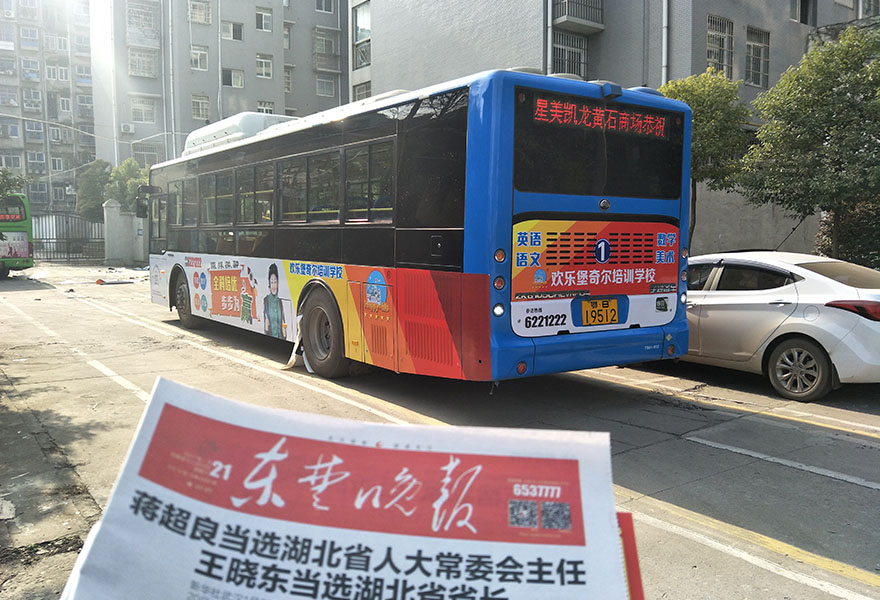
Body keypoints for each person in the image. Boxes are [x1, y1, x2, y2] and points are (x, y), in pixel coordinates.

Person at [264, 263, 286, 339]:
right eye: (271, 282)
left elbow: (283, 322)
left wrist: (284, 335)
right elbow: (266, 326)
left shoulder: (280, 302)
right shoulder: (266, 300)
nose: (273, 286)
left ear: (278, 283)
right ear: (269, 284)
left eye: (275, 282)